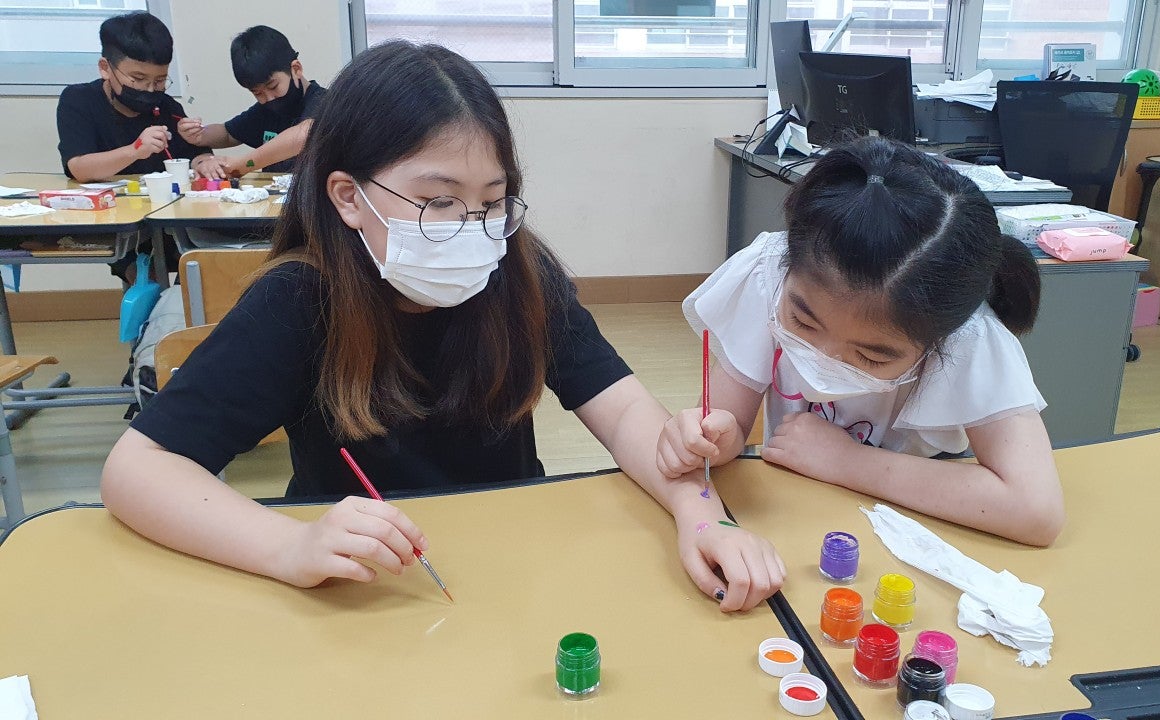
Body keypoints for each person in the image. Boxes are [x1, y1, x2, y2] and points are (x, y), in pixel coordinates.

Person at [101, 41, 784, 612]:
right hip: (362, 590)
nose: (471, 229)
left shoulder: (518, 273)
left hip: (510, 566)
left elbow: (626, 411)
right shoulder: (301, 301)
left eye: (492, 202)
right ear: (349, 197)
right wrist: (291, 545)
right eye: (438, 202)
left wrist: (702, 517)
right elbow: (139, 470)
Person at [658, 137, 1065, 546]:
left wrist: (849, 462)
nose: (824, 360)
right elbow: (725, 425)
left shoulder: (969, 339)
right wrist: (714, 439)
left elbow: (1035, 509)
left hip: (913, 531)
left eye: (871, 357)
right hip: (794, 516)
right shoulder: (770, 277)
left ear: (940, 340)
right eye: (802, 322)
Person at [57, 11, 214, 182]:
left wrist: (205, 163)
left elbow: (197, 155)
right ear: (105, 68)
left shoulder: (167, 107)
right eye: (138, 79)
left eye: (160, 80)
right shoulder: (79, 100)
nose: (150, 89)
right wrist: (135, 150)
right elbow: (79, 168)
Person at [178, 26, 326, 179]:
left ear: (296, 69)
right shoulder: (267, 110)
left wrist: (243, 165)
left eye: (273, 86)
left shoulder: (325, 102)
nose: (269, 98)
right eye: (257, 93)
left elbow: (304, 134)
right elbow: (228, 133)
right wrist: (200, 135)